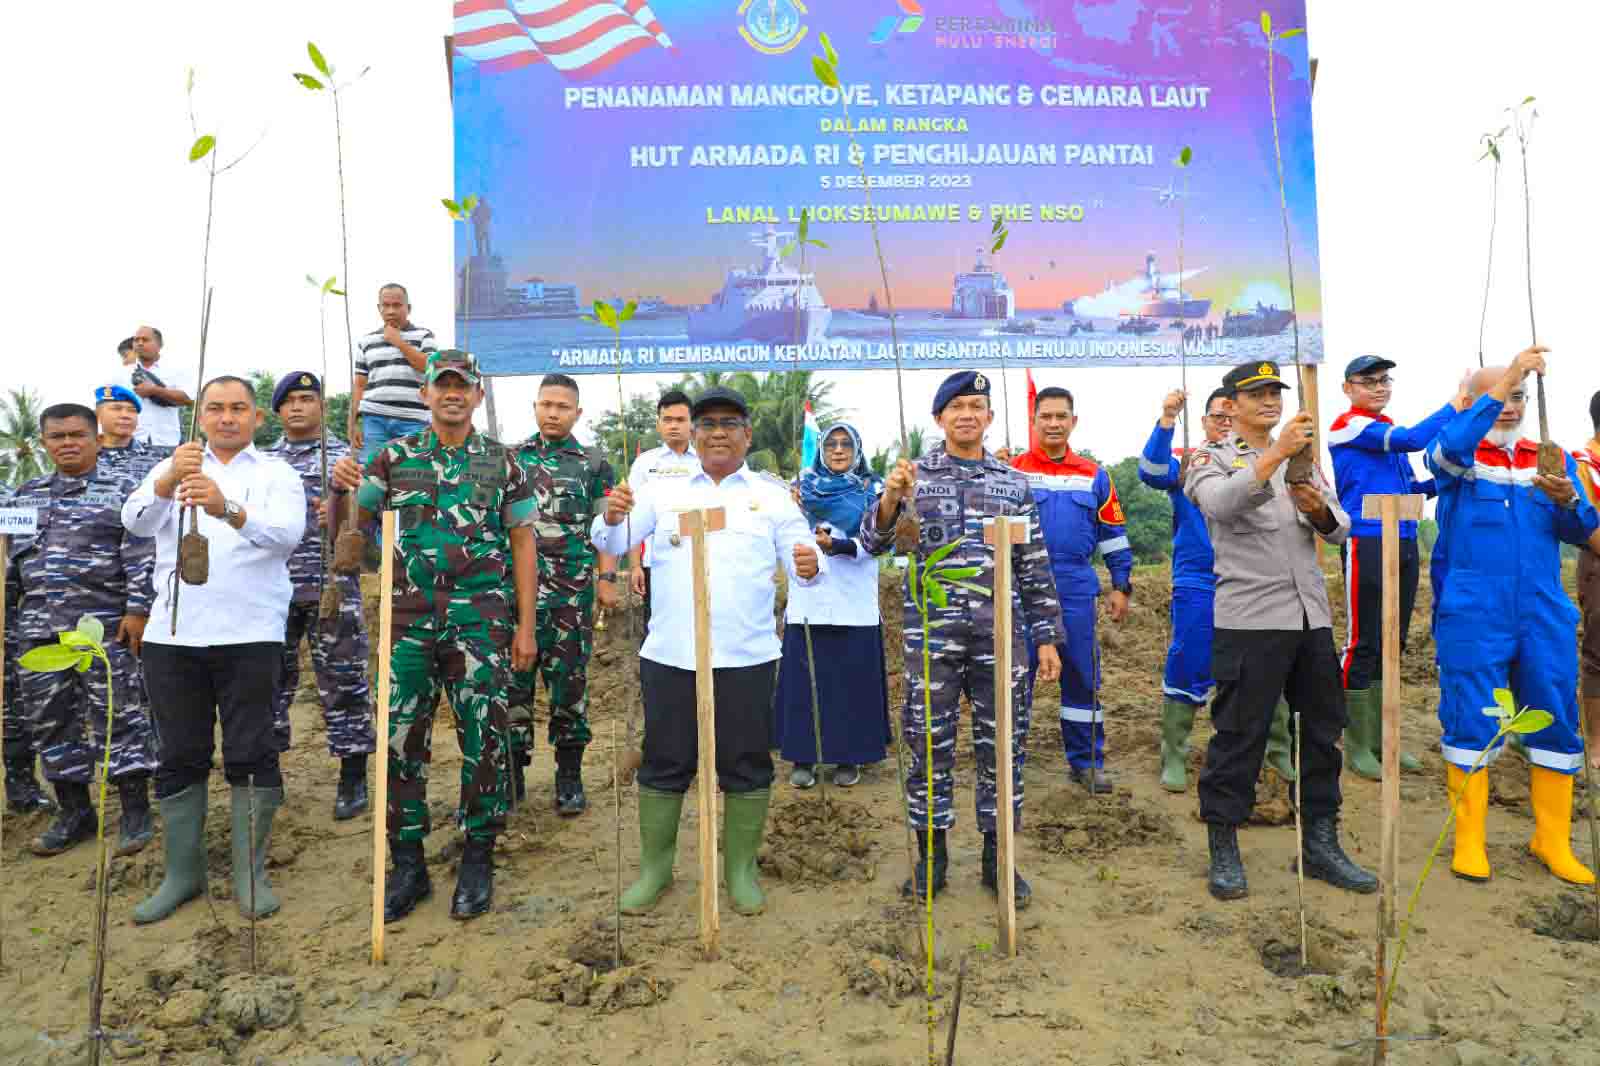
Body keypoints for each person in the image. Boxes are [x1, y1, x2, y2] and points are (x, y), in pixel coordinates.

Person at [592, 386, 822, 917]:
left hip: (747, 656)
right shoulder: (662, 490)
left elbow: (803, 555)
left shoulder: (770, 495)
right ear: (692, 435)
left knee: (745, 763)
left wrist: (810, 567)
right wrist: (612, 514)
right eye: (708, 423)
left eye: (730, 422)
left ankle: (739, 871)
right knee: (665, 760)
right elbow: (611, 540)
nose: (718, 431)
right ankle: (655, 871)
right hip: (672, 653)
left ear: (746, 435)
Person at [331, 350, 538, 922]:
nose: (451, 393)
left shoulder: (503, 464)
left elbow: (523, 544)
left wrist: (525, 627)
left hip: (481, 619)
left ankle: (477, 855)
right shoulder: (392, 459)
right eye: (441, 385)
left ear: (475, 396)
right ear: (424, 395)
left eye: (461, 386)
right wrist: (342, 492)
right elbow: (354, 529)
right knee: (399, 737)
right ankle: (408, 861)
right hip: (406, 621)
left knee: (484, 736)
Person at [862, 371, 1064, 907]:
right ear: (940, 419)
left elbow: (1034, 566)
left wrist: (1046, 638)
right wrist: (889, 499)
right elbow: (875, 540)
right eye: (957, 407)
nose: (967, 414)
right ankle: (933, 856)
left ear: (990, 417)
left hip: (1002, 637)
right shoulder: (912, 478)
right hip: (933, 637)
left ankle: (1000, 860)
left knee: (1003, 747)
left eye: (977, 405)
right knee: (929, 744)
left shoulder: (1014, 483)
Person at [1185, 360, 1376, 901]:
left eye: (1276, 392)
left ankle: (1320, 844)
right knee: (1239, 736)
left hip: (1309, 616)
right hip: (1250, 620)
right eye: (1258, 393)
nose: (1270, 401)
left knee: (1321, 733)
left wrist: (1317, 510)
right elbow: (1220, 506)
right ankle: (1224, 843)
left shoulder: (1304, 460)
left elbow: (1341, 528)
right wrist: (1274, 456)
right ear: (1233, 404)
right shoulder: (1210, 458)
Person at [123, 376, 307, 923]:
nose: (227, 418)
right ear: (200, 416)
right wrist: (168, 483)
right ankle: (183, 873)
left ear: (256, 418)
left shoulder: (276, 473)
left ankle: (250, 872)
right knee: (179, 753)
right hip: (172, 637)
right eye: (217, 409)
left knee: (252, 750)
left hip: (251, 634)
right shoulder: (173, 465)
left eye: (239, 409)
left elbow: (287, 536)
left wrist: (227, 508)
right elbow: (133, 523)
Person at [1426, 351, 1598, 886]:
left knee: (1553, 711)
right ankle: (1469, 841)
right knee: (1472, 715)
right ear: (1474, 401)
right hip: (1474, 610)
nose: (1509, 406)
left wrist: (1568, 497)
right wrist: (1503, 382)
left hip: (1542, 608)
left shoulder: (1550, 458)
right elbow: (1448, 451)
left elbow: (1582, 528)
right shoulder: (1454, 452)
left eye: (1518, 397)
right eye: (1497, 396)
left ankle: (1552, 839)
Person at [9, 405, 156, 856]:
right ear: (43, 442)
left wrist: (138, 609)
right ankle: (74, 811)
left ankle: (134, 809)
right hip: (37, 629)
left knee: (118, 715)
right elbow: (9, 565)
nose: (67, 443)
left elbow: (141, 552)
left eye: (76, 434)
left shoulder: (123, 492)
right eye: (57, 437)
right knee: (50, 721)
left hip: (105, 627)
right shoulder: (23, 498)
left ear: (95, 438)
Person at [1139, 386, 1296, 792]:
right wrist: (1168, 419)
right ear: (1205, 421)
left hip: (1257, 578)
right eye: (1215, 417)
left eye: (1230, 416)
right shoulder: (1191, 462)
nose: (1223, 423)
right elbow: (1151, 473)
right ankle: (1174, 753)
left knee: (1267, 665)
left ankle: (1277, 753)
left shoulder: (1265, 459)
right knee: (1191, 658)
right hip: (1199, 577)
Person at [1327, 355, 1468, 779]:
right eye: (1368, 381)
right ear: (1348, 387)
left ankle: (1383, 739)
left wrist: (1448, 477)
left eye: (1385, 380)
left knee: (1394, 642)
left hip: (1405, 539)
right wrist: (1456, 405)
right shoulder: (1350, 426)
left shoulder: (1383, 434)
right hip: (1367, 541)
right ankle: (1356, 743)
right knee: (1363, 642)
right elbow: (1411, 439)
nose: (1380, 387)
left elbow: (1411, 485)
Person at [262, 372, 376, 820]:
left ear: (322, 406)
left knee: (344, 681)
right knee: (267, 686)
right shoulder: (263, 463)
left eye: (307, 398)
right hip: (272, 589)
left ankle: (352, 776)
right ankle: (266, 778)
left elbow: (370, 525)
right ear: (276, 411)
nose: (297, 407)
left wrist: (346, 508)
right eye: (288, 400)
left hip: (332, 585)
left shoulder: (345, 459)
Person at [506, 373, 618, 815]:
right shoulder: (511, 459)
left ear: (577, 413)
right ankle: (512, 773)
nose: (553, 413)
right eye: (546, 404)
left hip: (571, 598)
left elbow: (607, 529)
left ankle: (568, 776)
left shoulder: (593, 463)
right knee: (513, 688)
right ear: (535, 407)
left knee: (569, 687)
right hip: (516, 597)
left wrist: (607, 578)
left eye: (562, 407)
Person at [1011, 386, 1132, 793]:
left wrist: (1121, 583)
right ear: (1034, 421)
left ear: (1073, 421)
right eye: (1046, 416)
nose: (1054, 423)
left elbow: (1112, 533)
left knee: (1082, 673)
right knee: (1016, 677)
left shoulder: (1095, 475)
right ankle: (1009, 764)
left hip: (1076, 588)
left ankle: (1086, 761)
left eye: (1061, 416)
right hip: (1023, 589)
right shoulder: (1012, 472)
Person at [777, 421, 891, 789]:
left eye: (845, 445)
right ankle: (803, 758)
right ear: (821, 451)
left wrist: (837, 546)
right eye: (831, 445)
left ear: (857, 451)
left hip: (854, 603)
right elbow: (788, 537)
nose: (838, 451)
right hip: (809, 601)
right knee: (804, 684)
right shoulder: (801, 491)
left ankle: (848, 757)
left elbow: (877, 543)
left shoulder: (876, 492)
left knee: (849, 685)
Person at [626, 390, 697, 621]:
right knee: (657, 626)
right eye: (667, 420)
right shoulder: (644, 464)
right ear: (658, 424)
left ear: (692, 424)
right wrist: (635, 565)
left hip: (699, 559)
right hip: (655, 563)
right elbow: (633, 518)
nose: (673, 426)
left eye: (680, 420)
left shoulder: (706, 461)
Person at [349, 283, 435, 464]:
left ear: (408, 308)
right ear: (379, 308)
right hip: (374, 418)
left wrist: (399, 341)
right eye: (385, 305)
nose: (391, 311)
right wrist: (353, 423)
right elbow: (359, 385)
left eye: (397, 305)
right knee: (371, 472)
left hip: (413, 419)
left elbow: (428, 368)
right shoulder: (366, 341)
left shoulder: (424, 336)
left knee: (414, 473)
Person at [1574, 390, 1600, 769]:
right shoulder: (1585, 464)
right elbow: (1586, 522)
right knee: (1598, 654)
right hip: (1598, 560)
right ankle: (1596, 743)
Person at [127, 325, 194, 449]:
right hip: (132, 441)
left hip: (166, 441)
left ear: (159, 344)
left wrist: (154, 390)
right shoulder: (122, 374)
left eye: (145, 340)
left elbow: (188, 399)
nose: (140, 343)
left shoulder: (177, 371)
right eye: (136, 340)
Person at [95, 385, 161, 481]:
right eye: (116, 409)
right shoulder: (80, 454)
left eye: (132, 411)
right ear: (98, 415)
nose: (125, 415)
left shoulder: (158, 458)